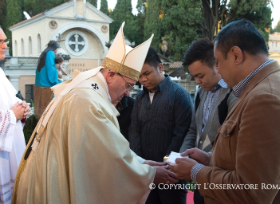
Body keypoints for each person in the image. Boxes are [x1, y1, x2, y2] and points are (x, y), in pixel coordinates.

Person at [12, 23, 178, 204]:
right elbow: (107, 162)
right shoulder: (89, 102)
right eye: (128, 85)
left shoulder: (86, 88)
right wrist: (150, 174)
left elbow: (108, 149)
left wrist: (142, 164)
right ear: (111, 74)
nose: (128, 93)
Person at [170, 19, 280, 203]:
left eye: (218, 62)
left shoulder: (266, 99)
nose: (218, 71)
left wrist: (195, 172)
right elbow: (252, 161)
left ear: (235, 55)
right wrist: (210, 159)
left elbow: (252, 190)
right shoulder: (271, 85)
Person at [129, 47, 193, 204]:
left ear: (160, 67)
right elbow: (135, 131)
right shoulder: (139, 98)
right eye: (139, 75)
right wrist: (142, 165)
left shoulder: (179, 95)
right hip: (147, 173)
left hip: (172, 174)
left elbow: (181, 134)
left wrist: (166, 166)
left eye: (147, 73)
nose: (143, 79)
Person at [179, 38, 237, 204]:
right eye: (194, 77)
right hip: (200, 176)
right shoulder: (200, 93)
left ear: (216, 65)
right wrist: (182, 155)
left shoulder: (233, 93)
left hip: (221, 178)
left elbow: (232, 144)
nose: (197, 81)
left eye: (200, 75)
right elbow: (193, 129)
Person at [0, 26, 30, 204]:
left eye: (5, 41)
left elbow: (10, 104)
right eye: (0, 42)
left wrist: (22, 111)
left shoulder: (1, 73)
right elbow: (9, 113)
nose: (5, 46)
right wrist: (12, 115)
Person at [34, 40, 62, 120]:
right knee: (62, 85)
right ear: (55, 48)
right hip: (46, 82)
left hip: (40, 82)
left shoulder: (44, 52)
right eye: (57, 48)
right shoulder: (50, 53)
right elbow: (50, 68)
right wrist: (57, 73)